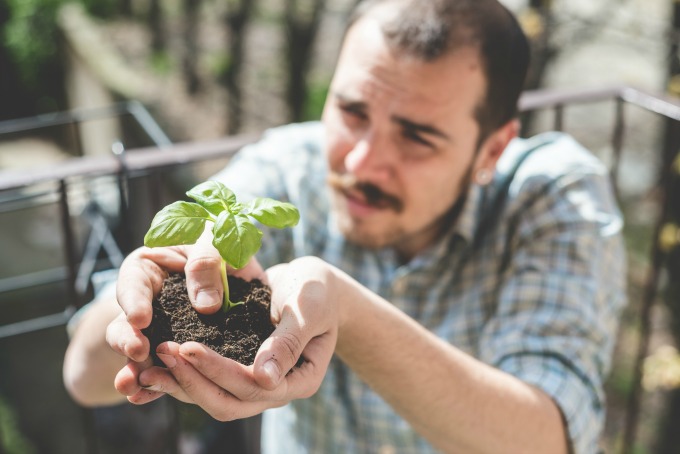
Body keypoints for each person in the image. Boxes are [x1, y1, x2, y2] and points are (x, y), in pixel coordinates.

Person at [63, 0, 627, 452]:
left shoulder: (553, 196)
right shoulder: (288, 167)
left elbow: (550, 438)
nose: (360, 164)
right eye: (353, 113)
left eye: (417, 137)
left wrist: (348, 310)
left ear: (493, 148)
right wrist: (143, 299)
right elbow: (82, 378)